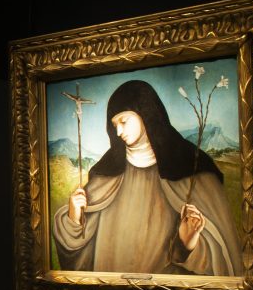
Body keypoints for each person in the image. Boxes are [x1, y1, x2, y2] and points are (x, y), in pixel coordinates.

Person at [52, 80, 242, 276]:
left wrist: (188, 243)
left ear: (145, 114)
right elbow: (80, 251)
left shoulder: (193, 169)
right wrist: (74, 218)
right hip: (112, 288)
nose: (118, 132)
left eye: (123, 121)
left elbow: (222, 255)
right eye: (114, 125)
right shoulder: (105, 174)